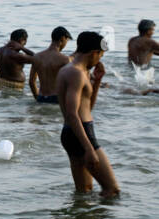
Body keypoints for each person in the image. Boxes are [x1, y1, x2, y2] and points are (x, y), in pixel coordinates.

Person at [55, 31, 119, 197]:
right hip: (81, 133)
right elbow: (72, 113)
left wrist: (96, 82)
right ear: (94, 53)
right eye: (100, 56)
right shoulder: (76, 73)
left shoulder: (75, 71)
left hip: (73, 133)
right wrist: (89, 148)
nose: (100, 60)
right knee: (112, 190)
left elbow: (87, 108)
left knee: (84, 192)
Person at [29, 27, 72, 103]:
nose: (65, 45)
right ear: (62, 39)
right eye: (67, 41)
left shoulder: (37, 57)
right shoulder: (65, 59)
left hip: (41, 97)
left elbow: (32, 81)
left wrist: (38, 98)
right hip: (57, 98)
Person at [127, 19, 159, 87]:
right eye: (152, 30)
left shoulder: (132, 40)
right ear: (148, 31)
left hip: (131, 69)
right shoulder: (149, 42)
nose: (153, 32)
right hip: (144, 71)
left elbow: (145, 52)